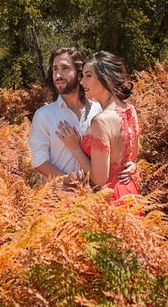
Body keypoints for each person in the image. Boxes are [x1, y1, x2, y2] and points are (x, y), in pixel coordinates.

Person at [28, 47, 134, 183]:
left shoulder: (100, 110)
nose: (58, 75)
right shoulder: (44, 115)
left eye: (64, 68)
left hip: (98, 197)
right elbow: (39, 161)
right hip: (60, 198)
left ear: (79, 74)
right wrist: (68, 181)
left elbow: (117, 148)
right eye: (55, 69)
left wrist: (129, 164)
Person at [56, 51, 140, 203]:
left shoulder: (100, 121)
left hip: (109, 199)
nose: (82, 82)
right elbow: (133, 154)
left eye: (88, 75)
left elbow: (99, 180)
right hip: (130, 191)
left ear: (105, 78)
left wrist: (75, 147)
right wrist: (131, 165)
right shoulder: (130, 110)